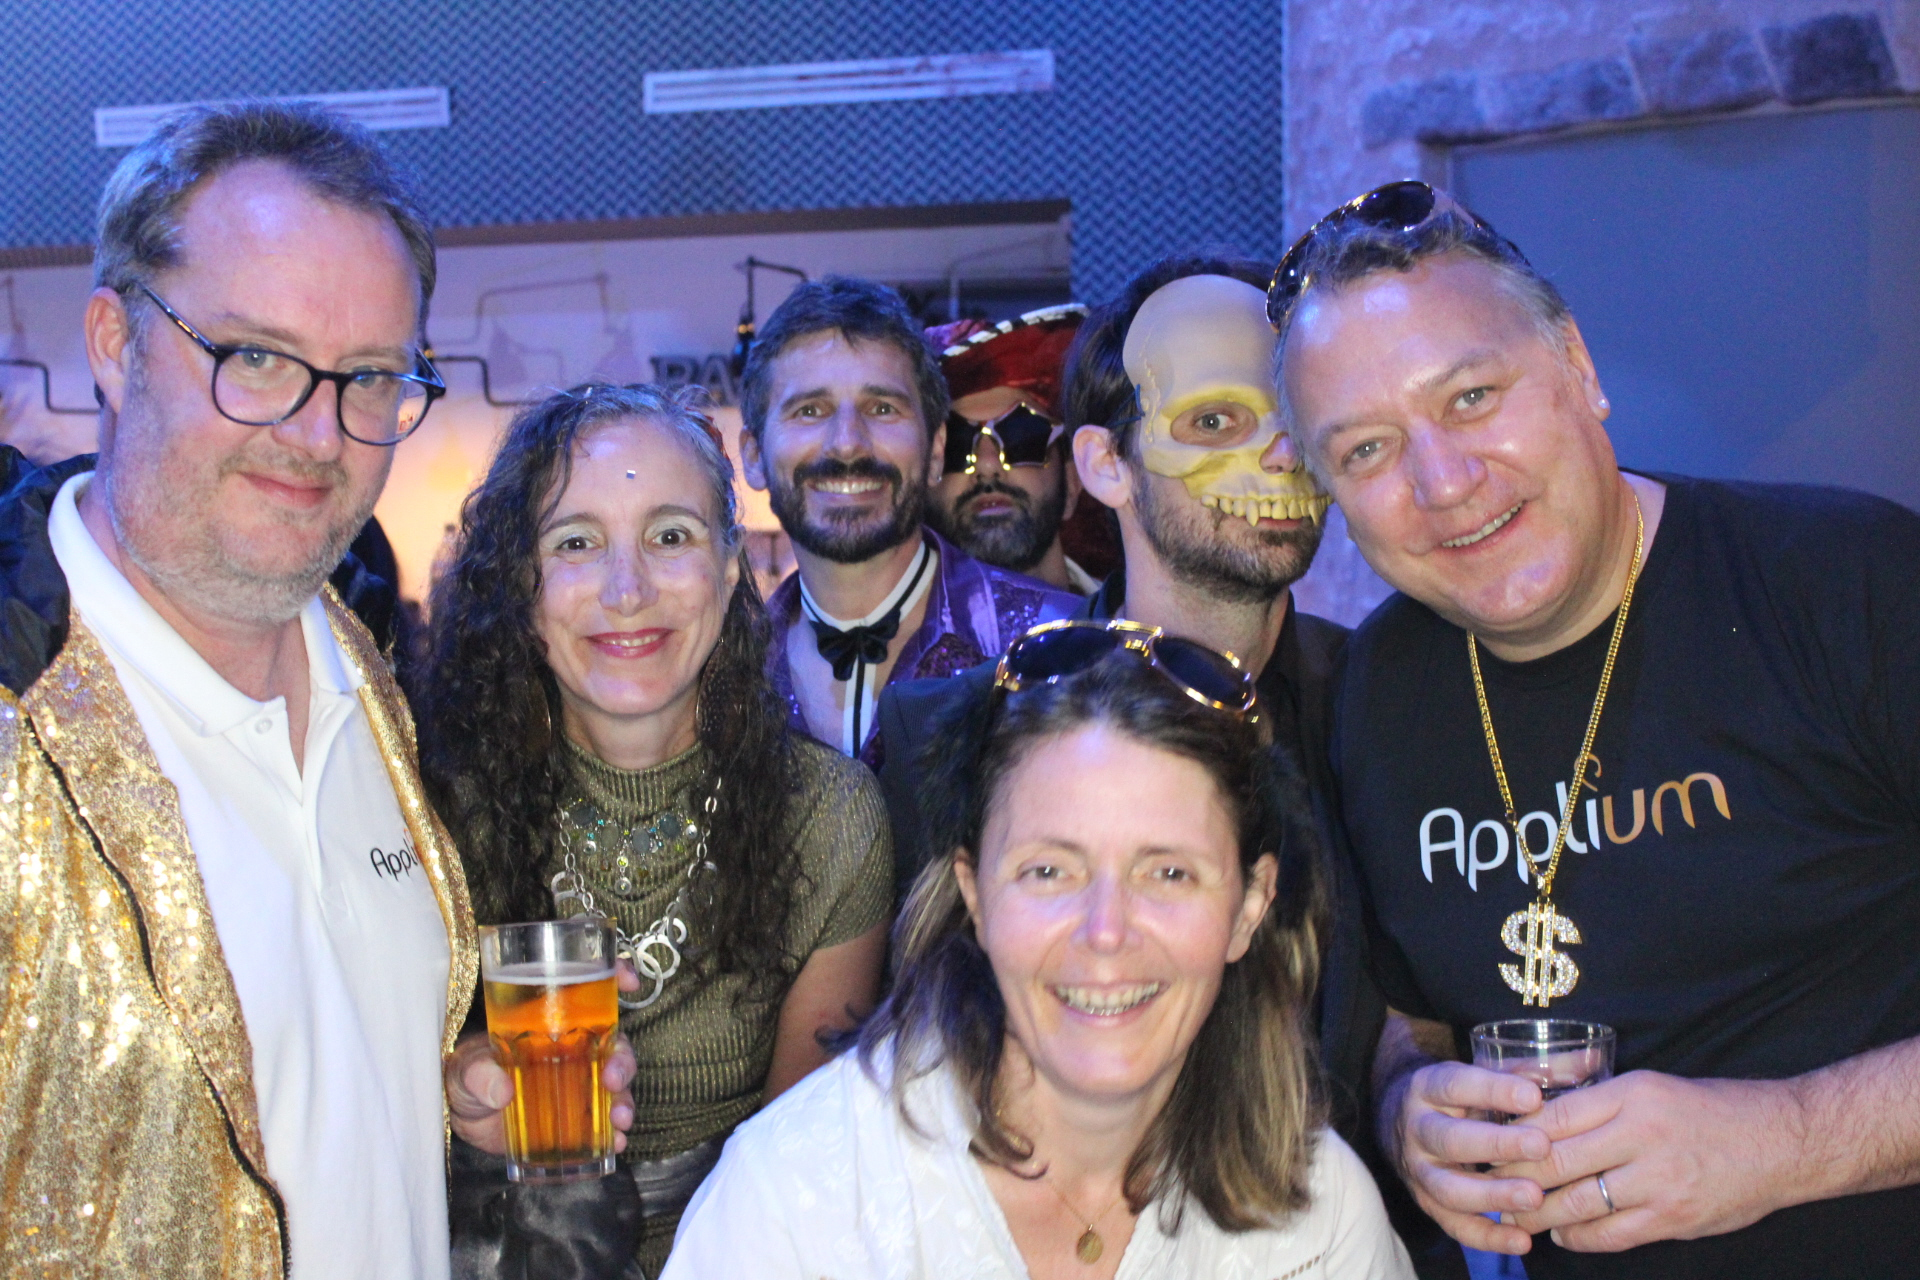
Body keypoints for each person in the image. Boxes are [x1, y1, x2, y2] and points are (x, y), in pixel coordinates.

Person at [1274, 181, 1920, 1278]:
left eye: (1473, 396)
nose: (1444, 481)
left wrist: (1789, 1140)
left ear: (1578, 366)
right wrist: (1406, 1105)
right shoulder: (1373, 693)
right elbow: (1414, 1011)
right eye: (1369, 451)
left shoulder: (1851, 587)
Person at [0, 103, 478, 1277]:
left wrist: (453, 1094)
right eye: (255, 357)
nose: (319, 434)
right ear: (114, 342)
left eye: (371, 376)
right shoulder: (23, 732)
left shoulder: (372, 683)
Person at [662, 634, 1413, 1277]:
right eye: (1050, 871)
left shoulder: (1323, 1221)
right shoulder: (795, 1200)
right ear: (975, 896)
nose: (1106, 932)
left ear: (1249, 908)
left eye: (1168, 873)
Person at [875, 256, 1396, 1177]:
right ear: (1105, 464)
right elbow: (922, 1067)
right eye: (1214, 422)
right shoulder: (955, 730)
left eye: (1296, 417)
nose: (1279, 454)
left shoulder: (1395, 703)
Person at [419, 384, 894, 1278]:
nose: (627, 590)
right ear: (521, 586)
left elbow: (800, 1184)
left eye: (670, 537)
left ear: (728, 569)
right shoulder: (433, 818)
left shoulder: (830, 820)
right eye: (575, 543)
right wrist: (448, 1096)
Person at [737, 276, 1078, 766]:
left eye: (882, 408)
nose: (847, 443)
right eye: (810, 410)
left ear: (936, 450)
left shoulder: (1063, 646)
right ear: (753, 456)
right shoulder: (721, 677)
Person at [924, 305, 1099, 593]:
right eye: (955, 444)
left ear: (1071, 484)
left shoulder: (1141, 618)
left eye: (1021, 436)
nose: (987, 465)